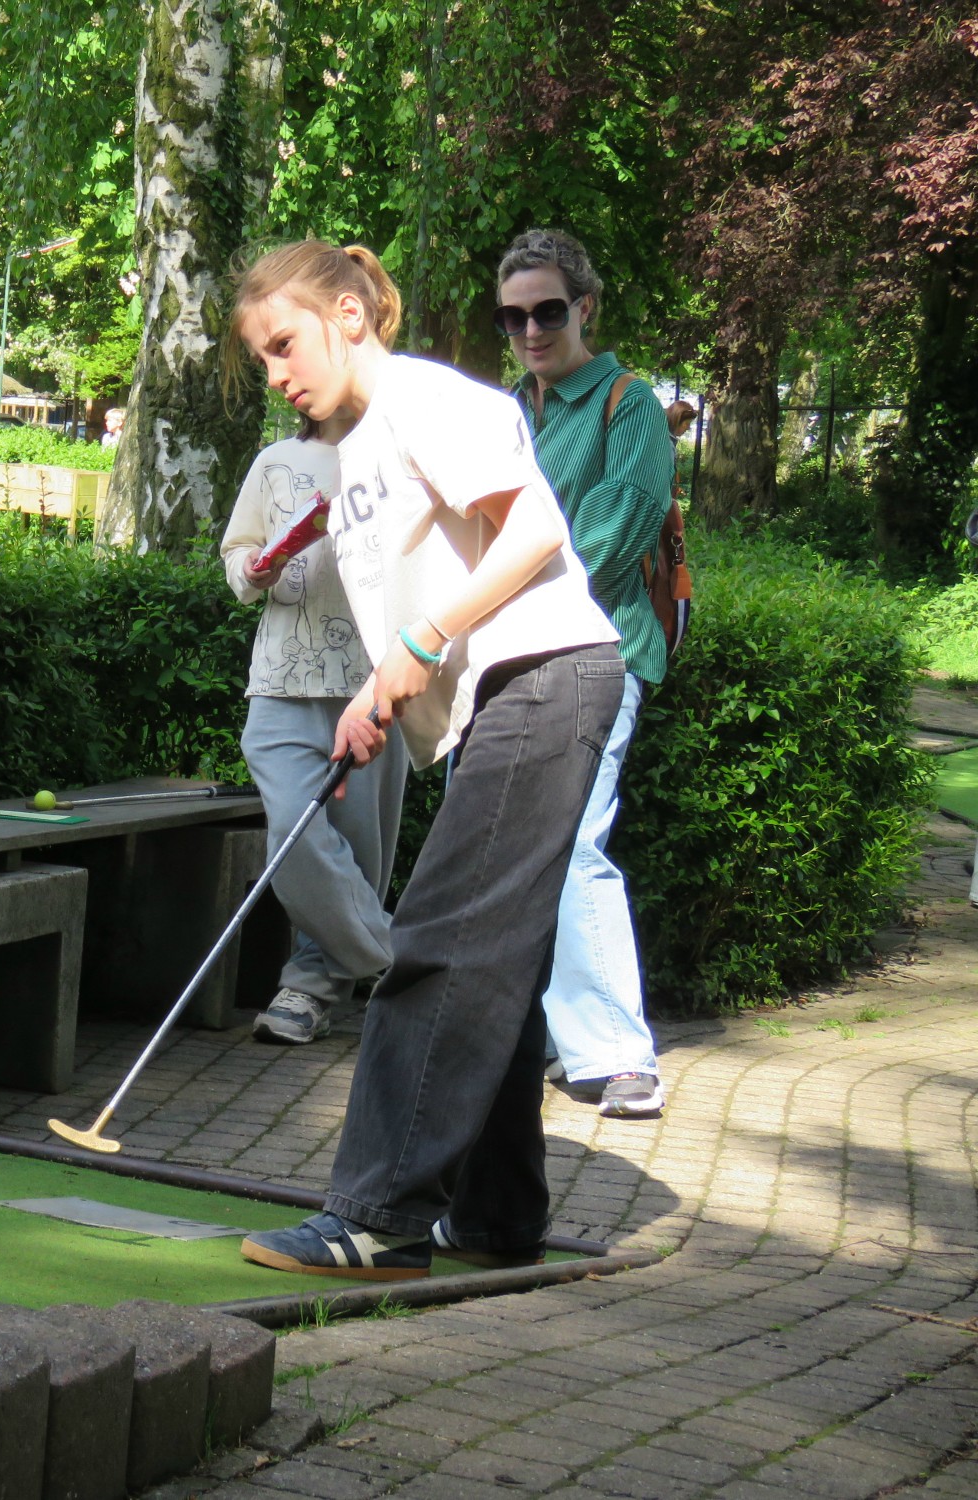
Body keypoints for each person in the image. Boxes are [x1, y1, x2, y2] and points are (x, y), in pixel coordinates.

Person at [231, 238, 624, 1280]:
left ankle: (378, 1214)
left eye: (284, 344)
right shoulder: (355, 447)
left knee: (438, 948)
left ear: (349, 316)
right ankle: (494, 1217)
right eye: (260, 357)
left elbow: (533, 530)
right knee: (490, 959)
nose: (275, 373)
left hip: (546, 675)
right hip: (497, 698)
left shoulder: (423, 400)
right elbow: (419, 599)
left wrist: (414, 647)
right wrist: (377, 695)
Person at [495, 228, 675, 1120]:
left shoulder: (627, 405)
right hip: (506, 659)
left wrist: (499, 596)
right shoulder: (507, 412)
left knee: (574, 842)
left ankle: (621, 1052)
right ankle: (549, 1042)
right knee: (517, 852)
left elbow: (615, 533)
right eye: (515, 316)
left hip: (598, 654)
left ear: (585, 307)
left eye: (549, 310)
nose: (531, 329)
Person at [221, 413, 407, 1045]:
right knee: (294, 834)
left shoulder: (400, 450)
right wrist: (252, 569)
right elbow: (236, 553)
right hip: (279, 679)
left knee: (360, 846)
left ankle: (311, 986)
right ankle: (407, 961)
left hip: (377, 679)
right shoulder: (276, 459)